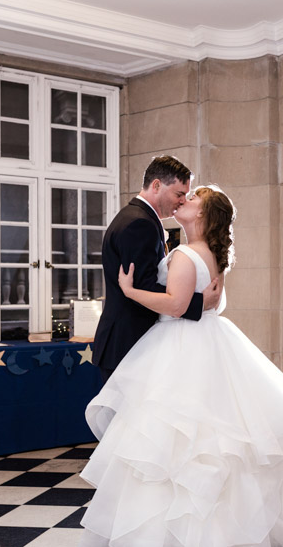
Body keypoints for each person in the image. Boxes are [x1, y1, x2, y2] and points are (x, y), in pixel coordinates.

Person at [76, 186, 283, 547]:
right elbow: (202, 302)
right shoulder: (207, 252)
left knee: (179, 446)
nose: (185, 199)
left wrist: (130, 292)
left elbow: (175, 304)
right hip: (209, 345)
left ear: (204, 214)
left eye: (194, 197)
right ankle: (202, 538)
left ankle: (179, 543)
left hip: (182, 349)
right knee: (206, 446)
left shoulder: (186, 254)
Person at [92, 156, 220, 383]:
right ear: (157, 185)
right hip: (127, 342)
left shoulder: (139, 218)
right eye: (179, 194)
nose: (181, 202)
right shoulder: (139, 224)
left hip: (130, 341)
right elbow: (143, 288)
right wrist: (199, 303)